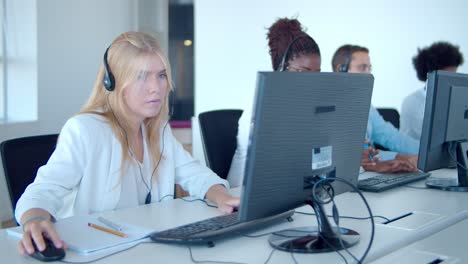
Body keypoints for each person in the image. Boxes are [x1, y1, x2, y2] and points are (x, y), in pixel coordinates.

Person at [15, 32, 239, 255]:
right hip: (94, 252)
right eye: (142, 76)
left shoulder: (157, 129)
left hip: (142, 248)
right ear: (112, 82)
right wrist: (35, 219)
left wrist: (224, 198)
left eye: (161, 75)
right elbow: (43, 190)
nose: (156, 87)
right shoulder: (85, 130)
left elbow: (195, 175)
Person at [226, 17, 321, 188]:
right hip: (245, 192)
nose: (311, 81)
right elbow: (275, 159)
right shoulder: (263, 100)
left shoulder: (302, 102)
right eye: (302, 72)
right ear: (282, 69)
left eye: (316, 73)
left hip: (288, 188)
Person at [332, 44, 419, 173]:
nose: (368, 74)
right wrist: (400, 157)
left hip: (368, 175)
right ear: (341, 70)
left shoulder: (365, 105)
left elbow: (391, 137)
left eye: (369, 68)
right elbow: (353, 156)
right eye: (362, 68)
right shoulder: (328, 108)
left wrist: (426, 153)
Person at [401, 41, 464, 140]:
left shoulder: (456, 100)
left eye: (455, 74)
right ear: (430, 74)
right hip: (416, 153)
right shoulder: (412, 102)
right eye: (447, 76)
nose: (452, 80)